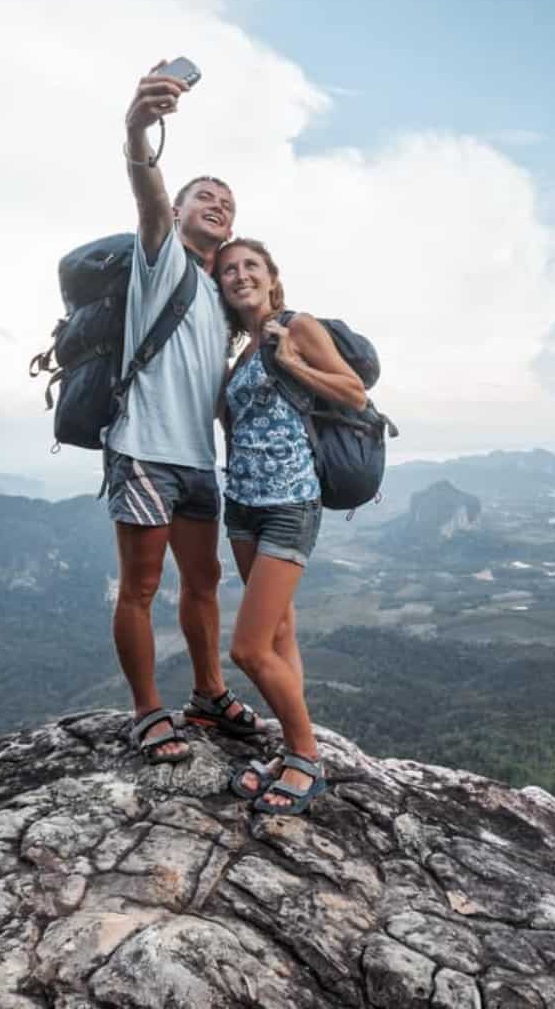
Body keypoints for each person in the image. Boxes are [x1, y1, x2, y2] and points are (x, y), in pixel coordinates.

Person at [109, 63, 264, 763]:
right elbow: (146, 189)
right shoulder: (160, 257)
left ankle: (208, 693)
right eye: (205, 196)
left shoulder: (219, 297)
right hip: (143, 447)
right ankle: (147, 711)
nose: (218, 205)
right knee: (140, 587)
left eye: (228, 202)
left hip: (198, 460)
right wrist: (140, 127)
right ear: (177, 213)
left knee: (203, 583)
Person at [212, 237, 366, 814]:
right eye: (229, 269)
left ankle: (307, 758)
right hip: (244, 505)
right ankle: (289, 751)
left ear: (273, 278)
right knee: (279, 637)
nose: (240, 275)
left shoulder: (294, 327)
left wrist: (294, 362)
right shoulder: (242, 352)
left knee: (248, 649)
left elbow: (353, 392)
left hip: (289, 503)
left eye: (251, 266)